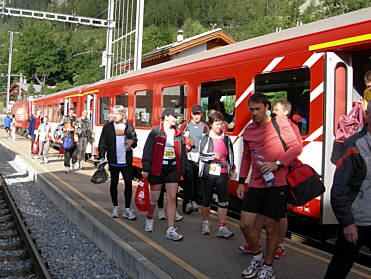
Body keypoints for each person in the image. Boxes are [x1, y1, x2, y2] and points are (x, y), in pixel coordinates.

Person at [237, 93, 301, 279]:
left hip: (277, 184)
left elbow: (295, 147)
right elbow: (246, 156)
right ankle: (257, 256)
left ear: (266, 107)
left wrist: (278, 164)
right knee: (245, 224)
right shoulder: (248, 130)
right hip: (256, 184)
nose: (254, 113)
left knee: (271, 228)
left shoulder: (280, 123)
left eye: (258, 109)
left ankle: (268, 266)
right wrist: (241, 181)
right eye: (251, 109)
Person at [324, 101, 371, 279]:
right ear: (368, 117)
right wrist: (347, 221)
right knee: (341, 266)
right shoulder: (354, 145)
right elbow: (339, 187)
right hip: (357, 220)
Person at [141, 108, 186, 241]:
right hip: (157, 168)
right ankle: (149, 218)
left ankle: (170, 229)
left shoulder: (178, 133)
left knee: (172, 197)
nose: (176, 119)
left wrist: (181, 170)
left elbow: (182, 153)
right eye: (174, 116)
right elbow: (148, 149)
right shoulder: (156, 131)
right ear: (166, 117)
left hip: (172, 168)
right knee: (154, 199)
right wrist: (146, 167)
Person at [199, 111, 235, 238]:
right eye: (216, 124)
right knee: (207, 200)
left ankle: (222, 227)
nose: (219, 126)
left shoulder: (226, 138)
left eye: (221, 124)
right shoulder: (206, 138)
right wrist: (213, 156)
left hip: (222, 173)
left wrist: (231, 168)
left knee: (223, 201)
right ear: (211, 124)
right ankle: (205, 223)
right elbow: (201, 155)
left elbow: (231, 155)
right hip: (208, 172)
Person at [98, 105, 138, 220]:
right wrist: (102, 157)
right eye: (113, 113)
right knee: (114, 183)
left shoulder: (129, 127)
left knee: (128, 184)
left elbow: (135, 141)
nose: (114, 115)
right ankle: (115, 207)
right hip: (113, 160)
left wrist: (132, 142)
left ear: (122, 115)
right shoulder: (108, 127)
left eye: (117, 113)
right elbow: (103, 143)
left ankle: (127, 209)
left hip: (126, 160)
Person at [180, 104, 209, 214]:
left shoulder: (205, 127)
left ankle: (193, 200)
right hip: (188, 156)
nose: (197, 116)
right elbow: (179, 138)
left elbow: (207, 141)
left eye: (199, 114)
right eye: (194, 114)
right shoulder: (185, 125)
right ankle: (186, 202)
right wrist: (185, 145)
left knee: (197, 181)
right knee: (188, 180)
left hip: (199, 157)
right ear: (191, 114)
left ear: (201, 115)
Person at [57, 108, 77, 173]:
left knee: (74, 153)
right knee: (67, 153)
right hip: (67, 137)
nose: (71, 114)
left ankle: (74, 163)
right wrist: (64, 129)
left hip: (74, 138)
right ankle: (67, 166)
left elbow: (80, 127)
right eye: (70, 112)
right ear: (68, 113)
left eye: (72, 112)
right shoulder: (65, 119)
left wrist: (75, 130)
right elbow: (59, 126)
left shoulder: (76, 119)